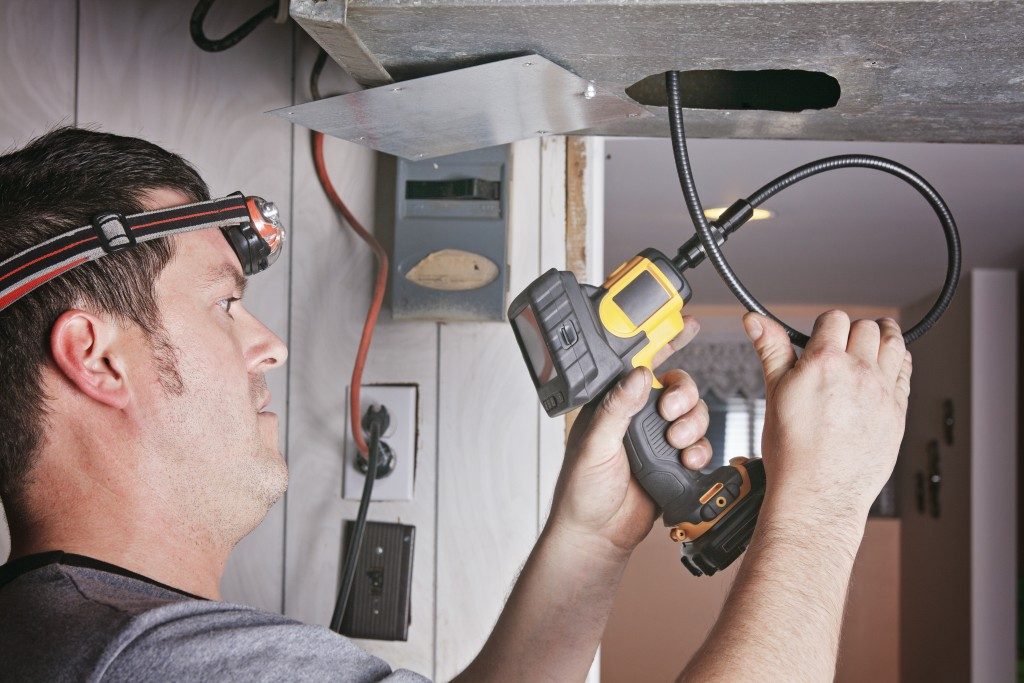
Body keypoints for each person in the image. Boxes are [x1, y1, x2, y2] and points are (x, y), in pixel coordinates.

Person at [0, 128, 912, 682]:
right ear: (97, 357)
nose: (265, 342)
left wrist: (591, 538)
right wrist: (823, 507)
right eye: (225, 301)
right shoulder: (153, 664)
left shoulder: (77, 635)